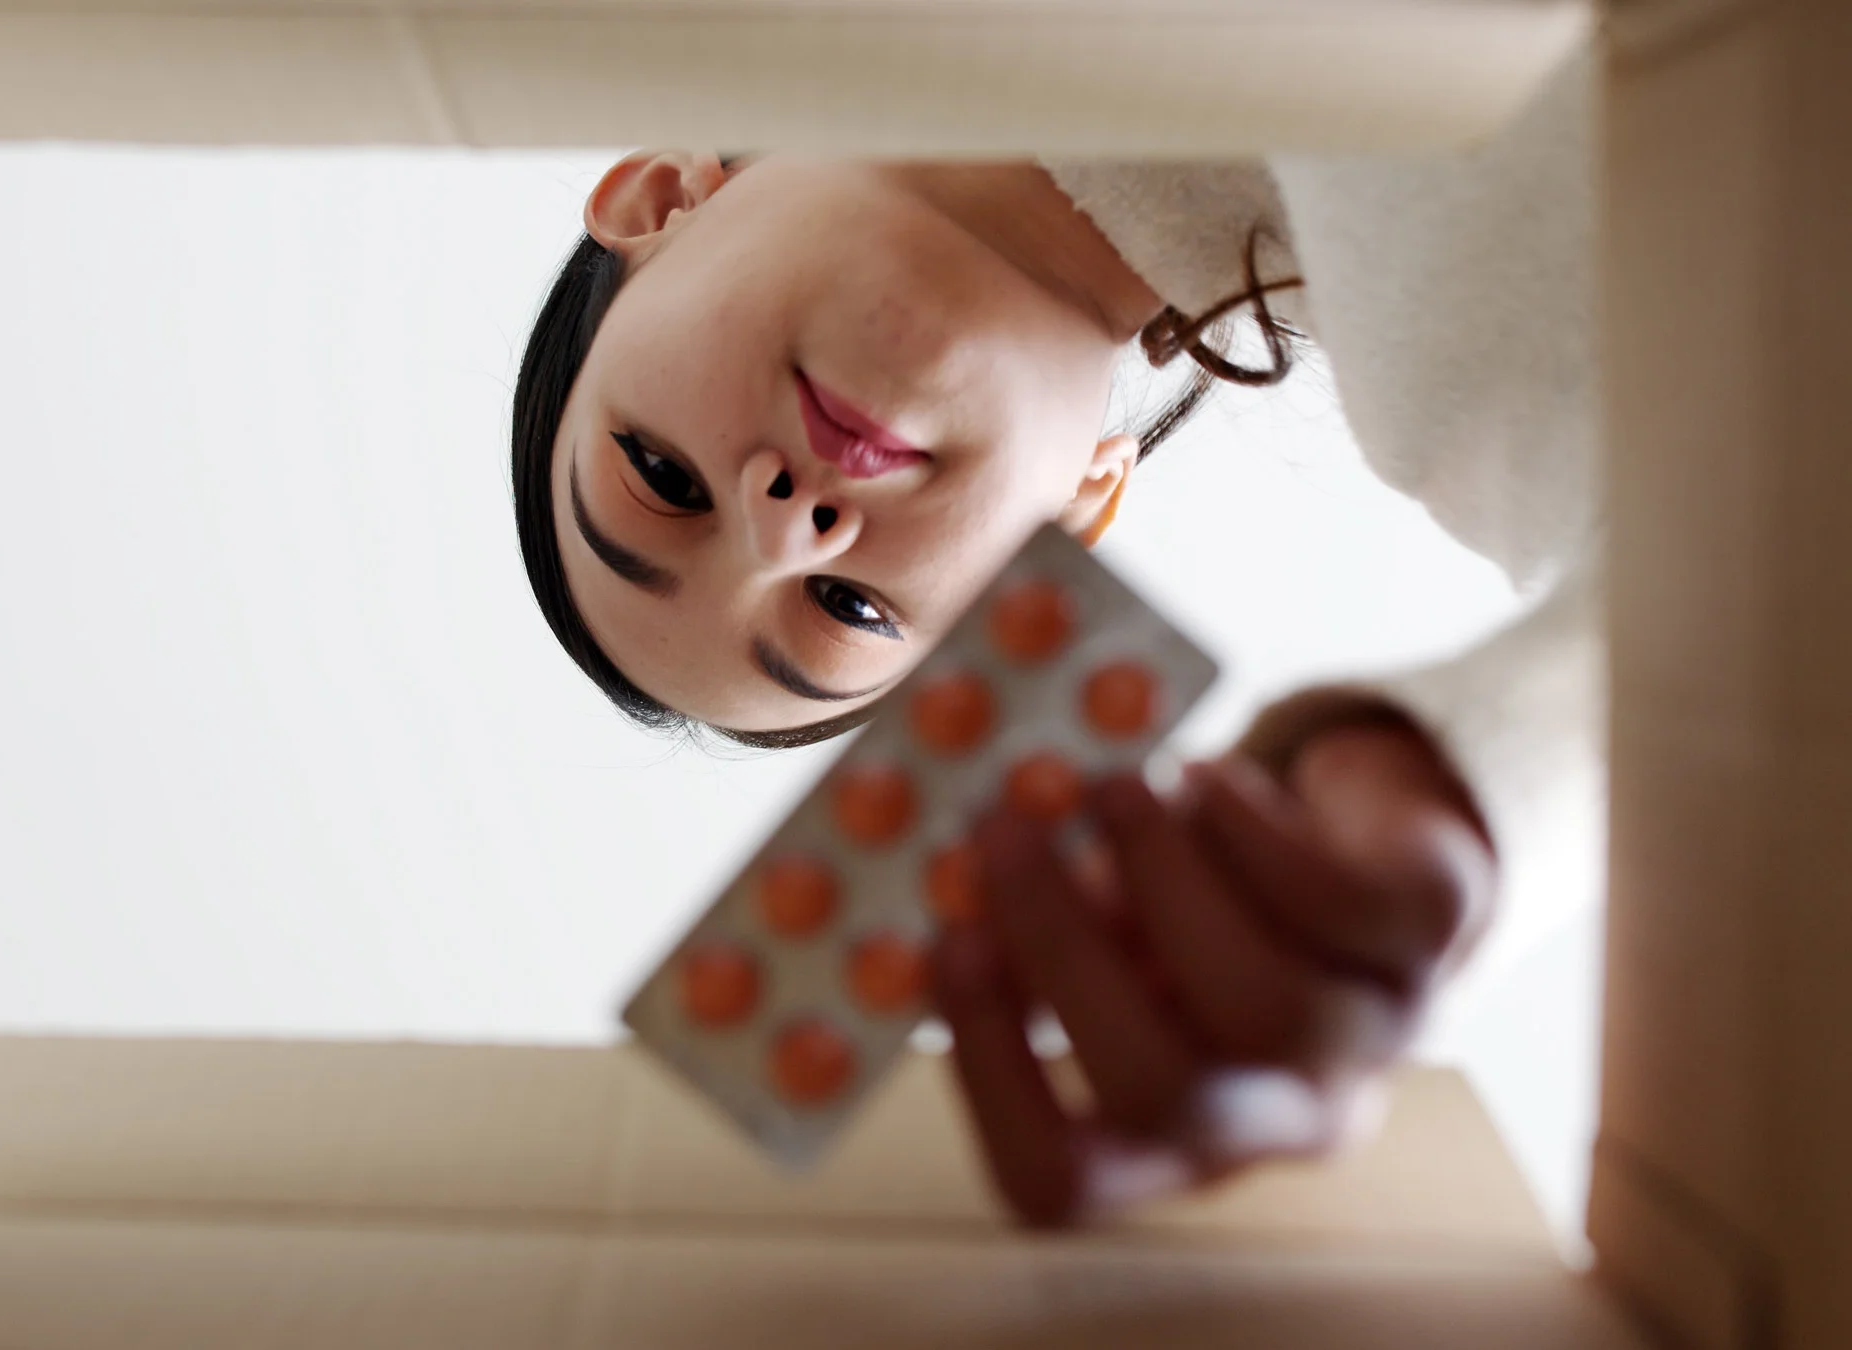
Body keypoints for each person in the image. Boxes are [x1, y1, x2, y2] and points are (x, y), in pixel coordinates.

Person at [509, 55, 1604, 1222]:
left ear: (657, 199)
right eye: (850, 611)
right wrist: (1475, 791)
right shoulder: (1468, 348)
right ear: (1080, 513)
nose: (787, 530)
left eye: (662, 478)